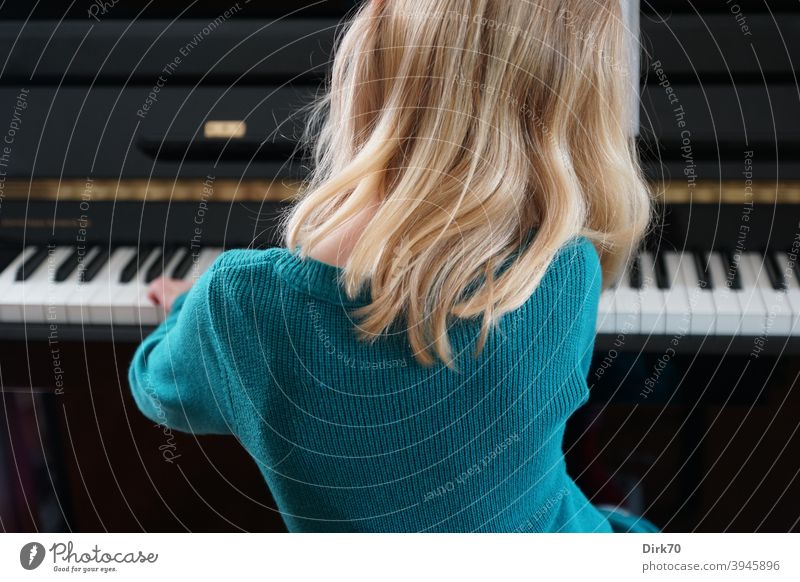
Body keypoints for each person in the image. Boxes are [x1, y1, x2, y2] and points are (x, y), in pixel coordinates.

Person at [129, 0, 655, 532]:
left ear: (368, 61)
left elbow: (157, 389)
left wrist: (190, 308)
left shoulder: (239, 302)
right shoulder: (568, 268)